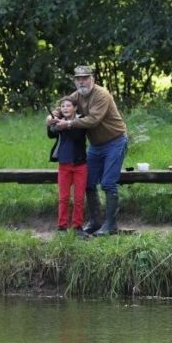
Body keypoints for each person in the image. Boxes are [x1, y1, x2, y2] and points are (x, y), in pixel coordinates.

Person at [48, 65, 127, 236]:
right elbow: (64, 105)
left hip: (115, 141)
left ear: (93, 79)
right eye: (78, 78)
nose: (81, 81)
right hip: (95, 146)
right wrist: (52, 117)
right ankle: (95, 221)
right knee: (88, 183)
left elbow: (93, 120)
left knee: (107, 183)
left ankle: (111, 225)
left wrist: (68, 124)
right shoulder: (77, 95)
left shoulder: (101, 95)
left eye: (85, 78)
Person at [48, 97, 88, 238]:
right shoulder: (59, 120)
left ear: (75, 108)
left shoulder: (81, 120)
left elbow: (78, 136)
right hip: (64, 165)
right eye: (62, 106)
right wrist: (51, 124)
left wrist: (66, 125)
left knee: (78, 198)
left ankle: (77, 227)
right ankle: (61, 227)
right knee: (63, 197)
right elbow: (51, 134)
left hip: (80, 165)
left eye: (68, 105)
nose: (65, 108)